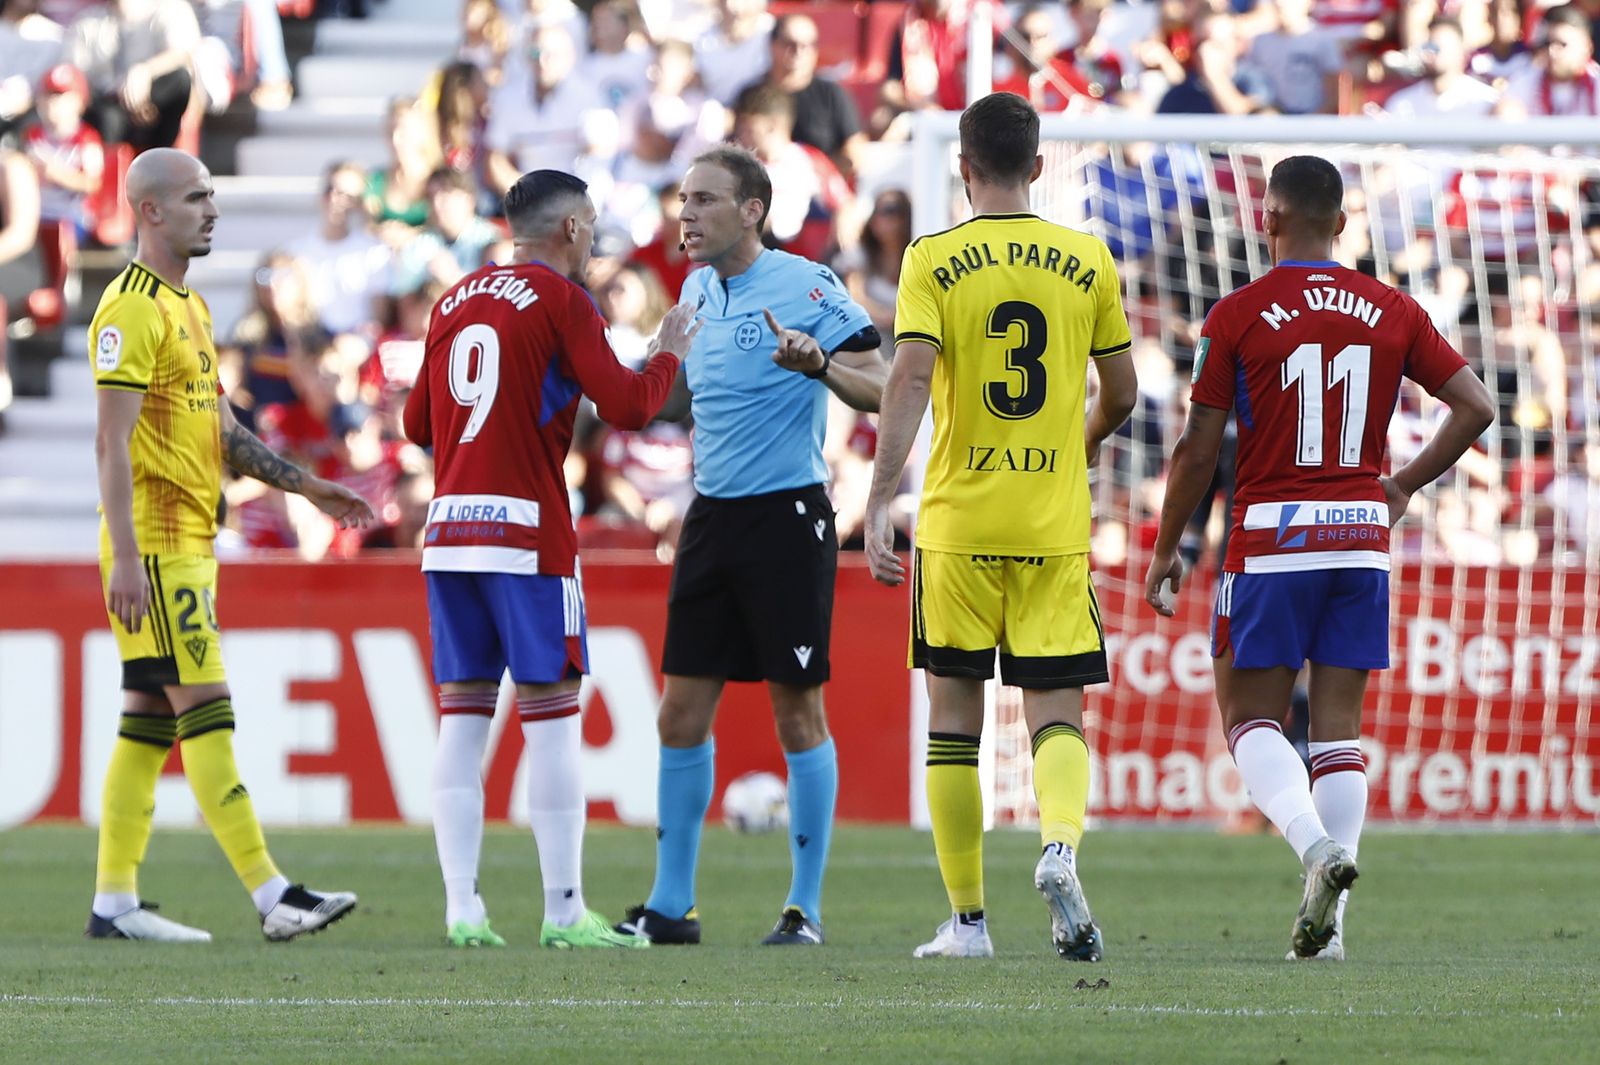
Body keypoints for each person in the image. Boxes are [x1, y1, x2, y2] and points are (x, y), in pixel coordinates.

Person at [1142, 155, 1495, 961]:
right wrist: (1400, 484)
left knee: (1250, 719)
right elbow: (1476, 405)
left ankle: (1314, 848)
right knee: (1338, 732)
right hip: (1361, 537)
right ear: (1342, 224)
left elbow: (1199, 448)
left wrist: (1168, 545)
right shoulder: (1392, 306)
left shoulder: (1236, 314)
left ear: (1268, 221)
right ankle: (1330, 934)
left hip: (1272, 537)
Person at [864, 91, 1138, 962]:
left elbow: (907, 381)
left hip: (957, 522)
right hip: (1051, 521)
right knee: (1057, 714)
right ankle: (1058, 843)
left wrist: (876, 498)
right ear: (1040, 162)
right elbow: (1123, 392)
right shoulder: (1086, 258)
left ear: (962, 166)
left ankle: (970, 923)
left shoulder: (933, 258)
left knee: (954, 721)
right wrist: (1078, 444)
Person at [402, 168, 700, 950]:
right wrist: (666, 351)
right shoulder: (566, 301)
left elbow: (415, 424)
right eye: (591, 223)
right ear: (569, 228)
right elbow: (631, 405)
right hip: (528, 535)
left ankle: (462, 908)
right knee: (552, 720)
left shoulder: (454, 298)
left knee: (462, 720)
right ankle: (564, 911)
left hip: (450, 530)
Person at [87, 148, 375, 942]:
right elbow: (110, 443)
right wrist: (124, 555)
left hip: (186, 542)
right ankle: (271, 894)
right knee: (207, 711)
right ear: (150, 212)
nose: (211, 210)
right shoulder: (129, 308)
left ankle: (113, 901)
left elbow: (221, 428)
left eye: (212, 196)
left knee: (147, 722)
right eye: (194, 198)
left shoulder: (191, 307)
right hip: (154, 546)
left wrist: (304, 484)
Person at [615, 145, 887, 948]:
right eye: (682, 200)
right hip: (711, 517)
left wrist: (822, 364)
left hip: (787, 518)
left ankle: (803, 908)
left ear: (752, 210)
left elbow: (887, 381)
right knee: (679, 713)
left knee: (797, 712)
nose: (686, 214)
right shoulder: (695, 289)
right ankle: (672, 906)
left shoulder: (807, 284)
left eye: (704, 199)